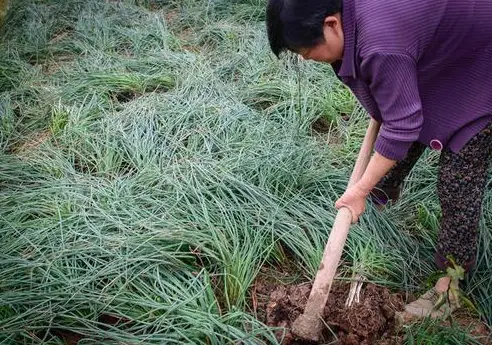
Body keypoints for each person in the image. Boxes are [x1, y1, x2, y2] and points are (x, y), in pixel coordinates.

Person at [266, 0, 492, 319]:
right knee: (400, 124)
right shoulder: (359, 22)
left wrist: (357, 190)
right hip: (452, 42)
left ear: (331, 24)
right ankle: (375, 206)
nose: (309, 59)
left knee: (458, 187)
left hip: (482, 62)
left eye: (307, 52)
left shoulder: (380, 44)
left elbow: (402, 124)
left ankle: (448, 288)